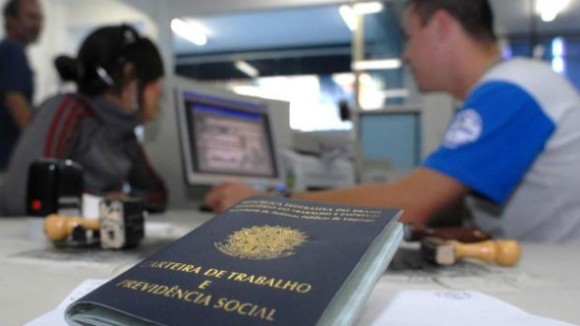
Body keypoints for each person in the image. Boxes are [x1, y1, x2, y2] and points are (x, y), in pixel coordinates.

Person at [204, 0, 580, 243]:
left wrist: (269, 203)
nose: (405, 56)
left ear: (442, 26)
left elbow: (412, 203)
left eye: (409, 37)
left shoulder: (513, 90)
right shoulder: (515, 85)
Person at [0, 24, 167, 216]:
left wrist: (121, 202)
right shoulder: (69, 111)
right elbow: (23, 197)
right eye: (153, 81)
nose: (159, 90)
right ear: (130, 77)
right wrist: (102, 204)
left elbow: (157, 194)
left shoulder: (124, 132)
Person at [0, 0, 43, 170]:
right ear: (11, 20)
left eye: (40, 18)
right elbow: (15, 101)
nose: (38, 24)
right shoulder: (12, 50)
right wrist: (41, 146)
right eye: (31, 17)